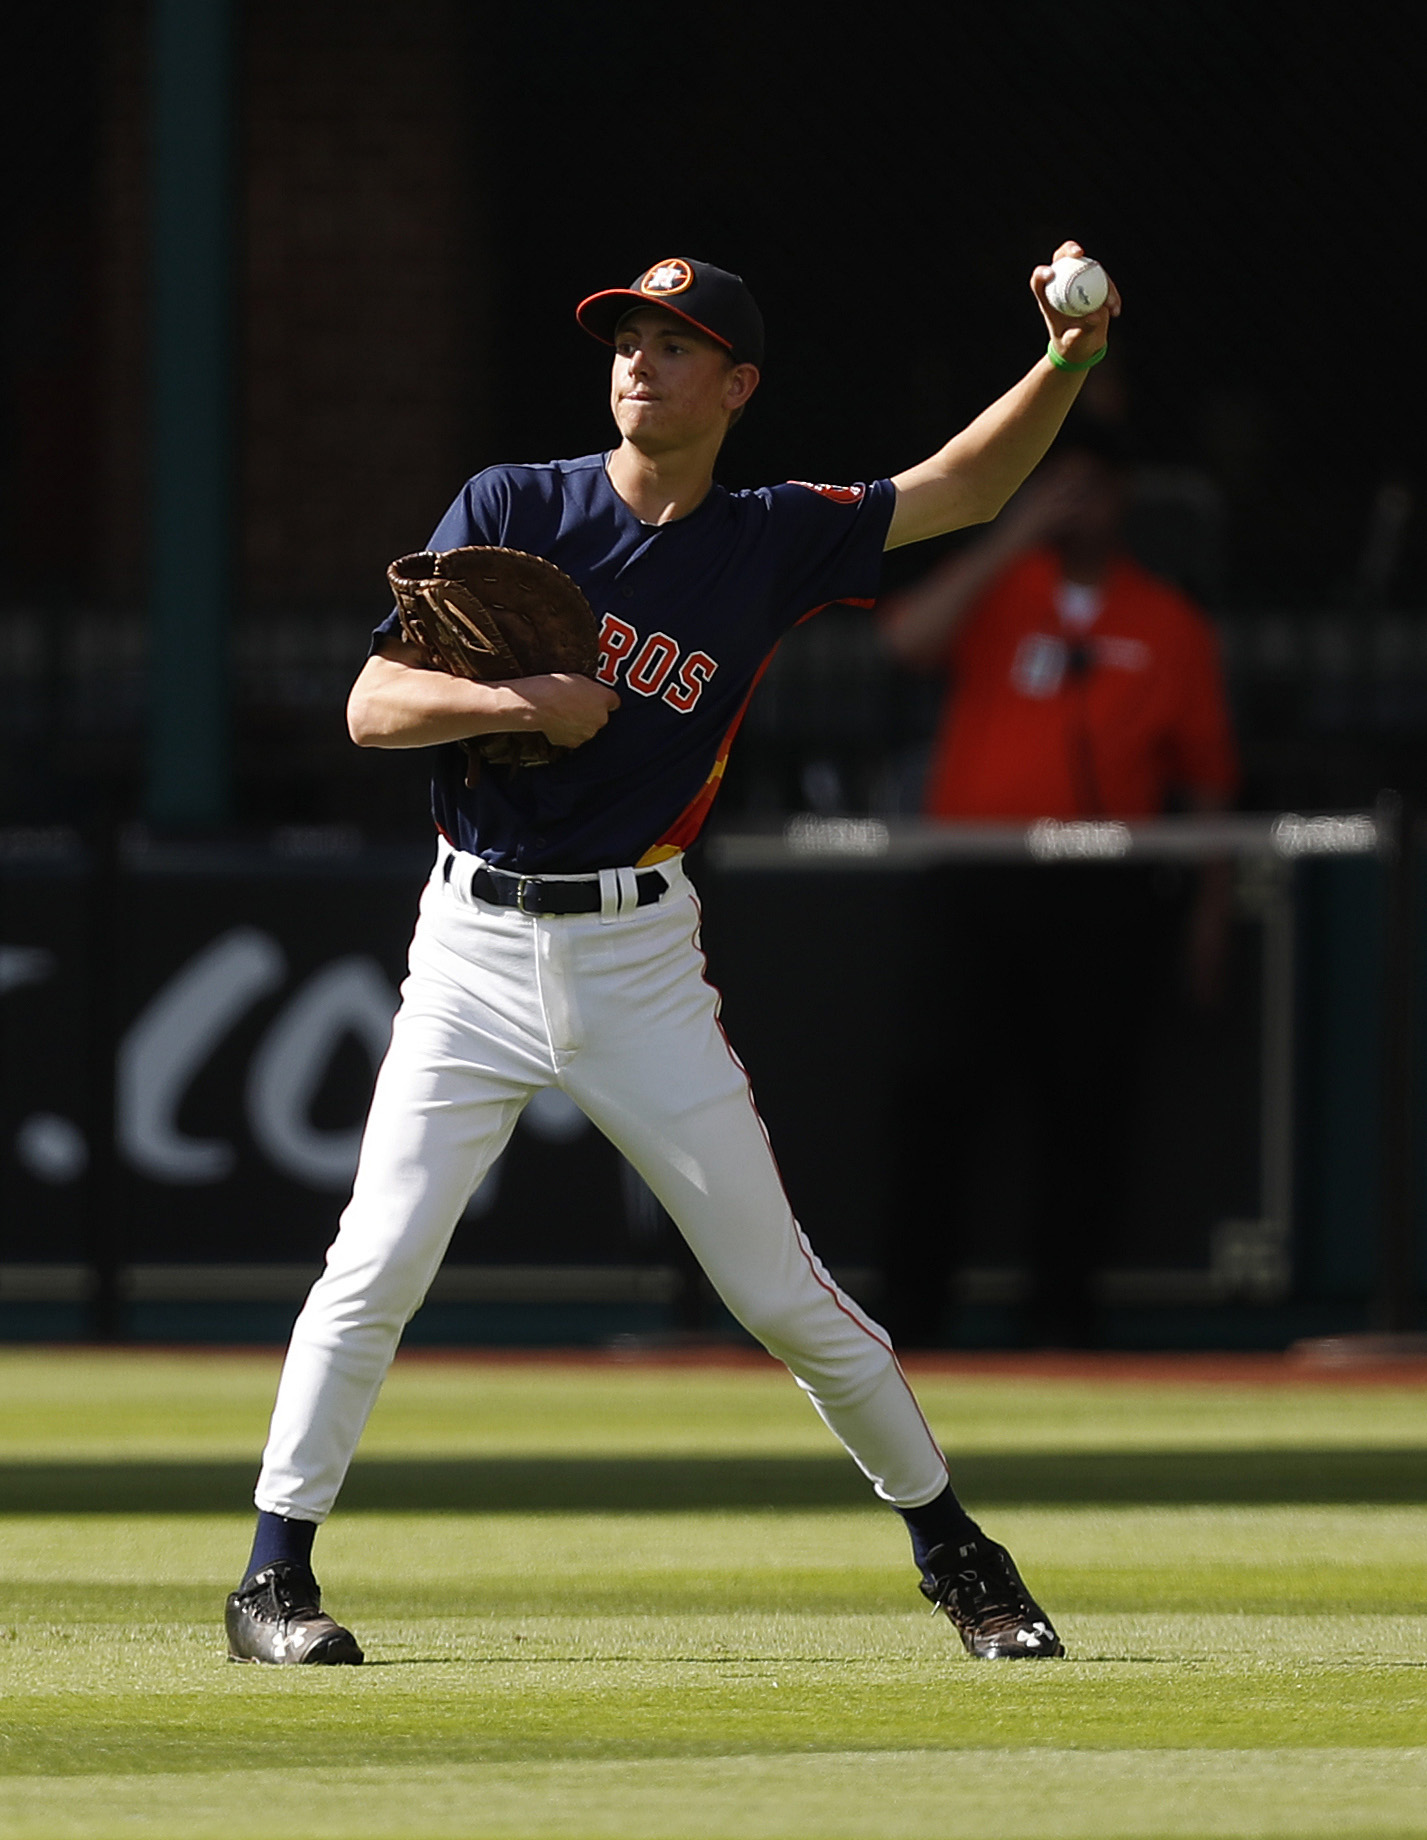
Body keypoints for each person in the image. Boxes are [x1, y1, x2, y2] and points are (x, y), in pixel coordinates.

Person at [224, 244, 1119, 1669]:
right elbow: (369, 705)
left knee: (779, 1292)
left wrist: (1066, 362)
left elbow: (962, 489)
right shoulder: (516, 505)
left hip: (635, 954)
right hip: (470, 943)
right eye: (627, 337)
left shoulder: (767, 535)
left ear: (735, 385)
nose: (640, 360)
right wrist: (522, 697)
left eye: (676, 343)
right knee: (374, 1262)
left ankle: (961, 1556)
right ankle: (273, 1582)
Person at [878, 424, 1238, 1347]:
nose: (1075, 504)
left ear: (1123, 501)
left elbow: (1206, 782)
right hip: (977, 879)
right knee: (937, 1095)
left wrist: (1208, 911)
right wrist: (1012, 532)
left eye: (1092, 488)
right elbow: (907, 641)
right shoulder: (1000, 589)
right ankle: (911, 1321)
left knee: (1088, 1104)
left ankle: (1062, 1324)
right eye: (1058, 486)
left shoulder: (1166, 621)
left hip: (1102, 890)